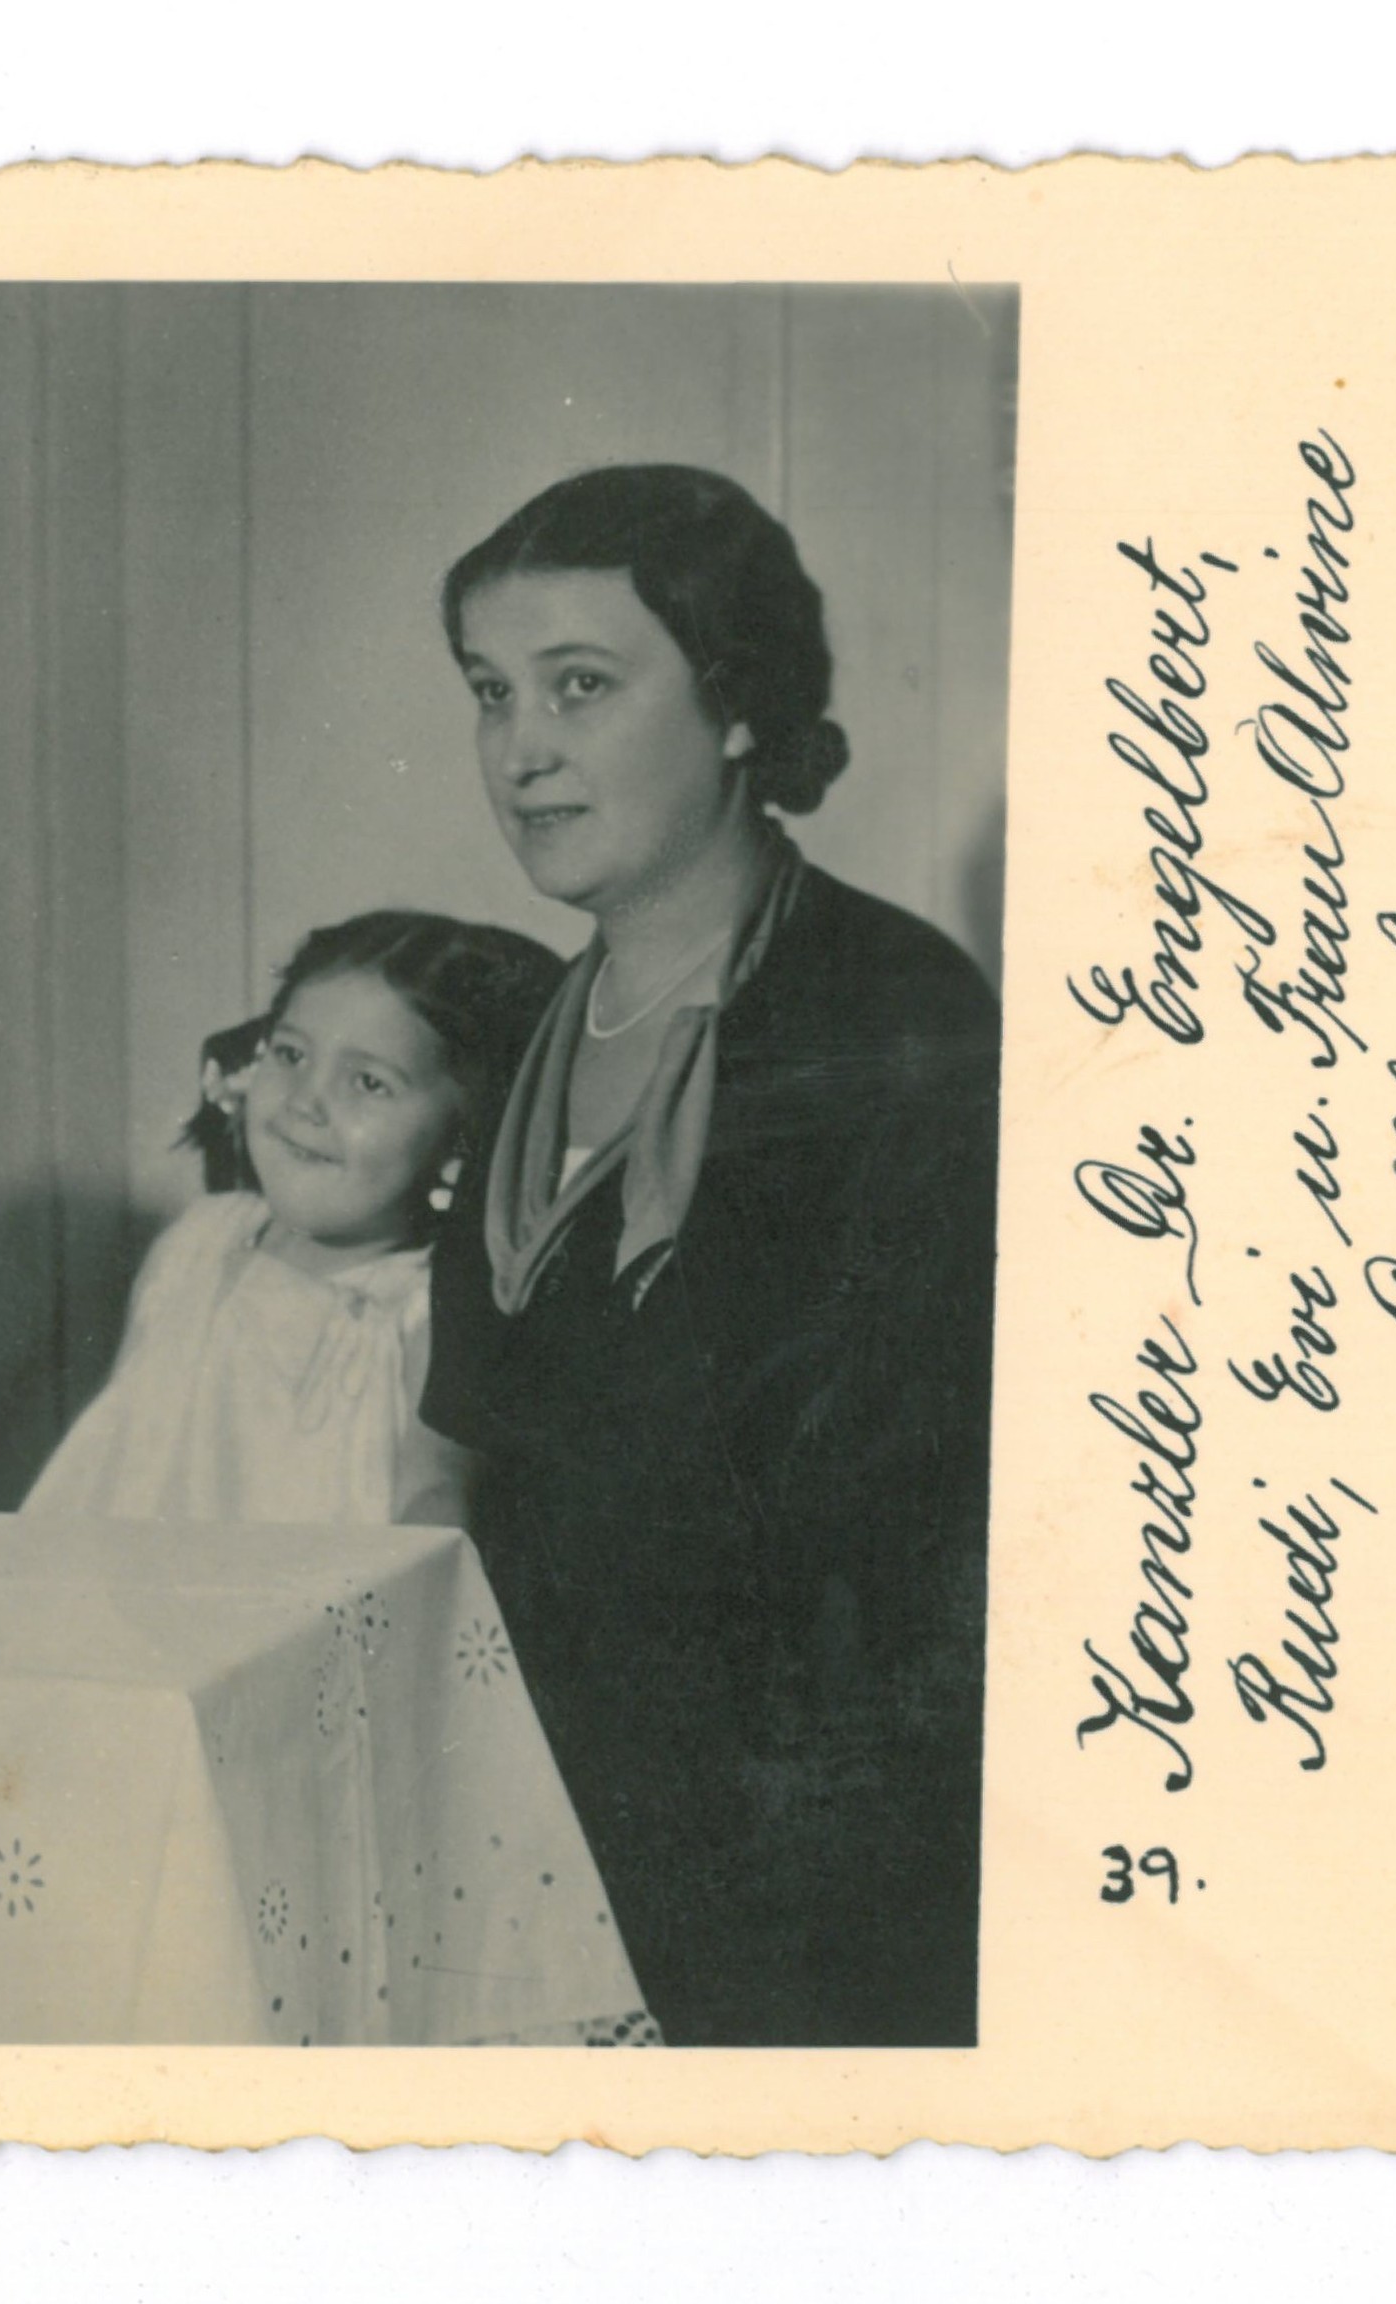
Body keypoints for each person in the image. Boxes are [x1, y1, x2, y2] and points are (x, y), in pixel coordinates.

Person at [417, 465, 1002, 2046]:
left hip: (799, 1884)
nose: (520, 750)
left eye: (580, 686)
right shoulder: (537, 1029)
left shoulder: (892, 1014)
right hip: (541, 1816)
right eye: (490, 693)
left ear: (736, 702)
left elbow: (907, 1554)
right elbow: (461, 1439)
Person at [25, 912, 561, 1531]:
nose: (305, 1099)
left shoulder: (432, 1310)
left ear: (465, 1138)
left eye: (369, 1082)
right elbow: (114, 1451)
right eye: (291, 1054)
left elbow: (432, 1501)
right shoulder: (200, 1239)